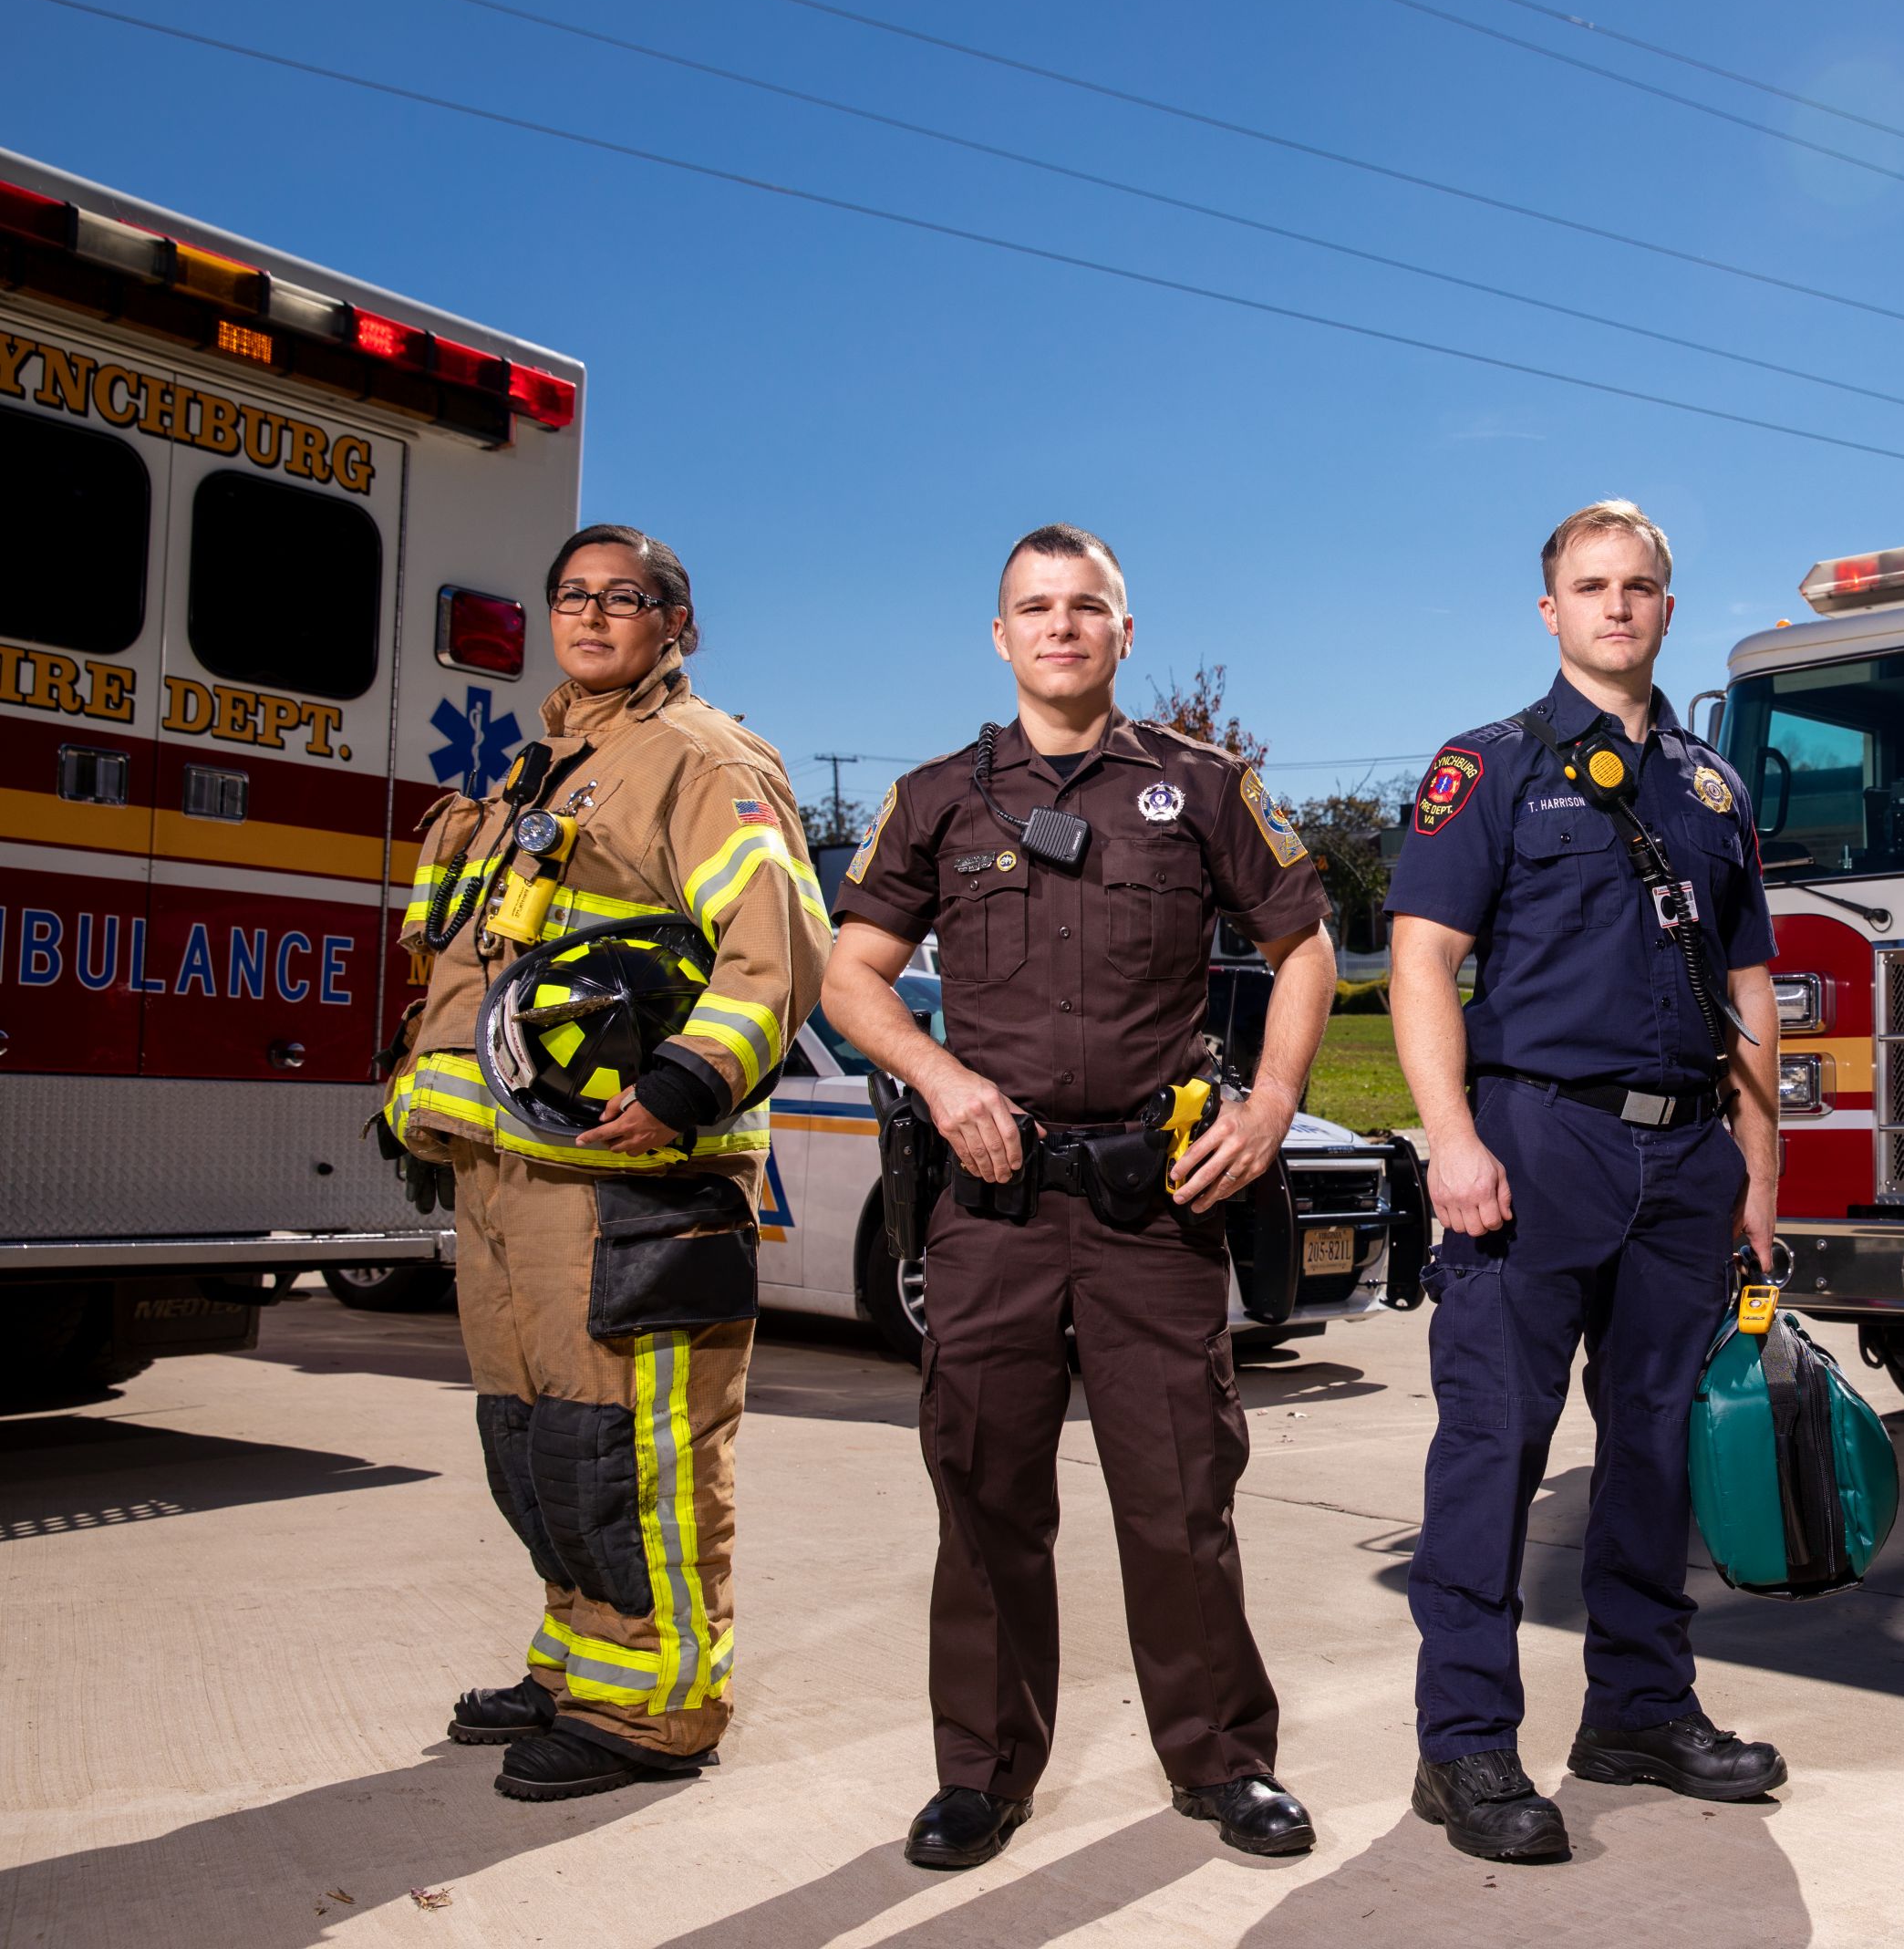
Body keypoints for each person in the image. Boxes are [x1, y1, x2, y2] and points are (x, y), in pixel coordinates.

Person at [822, 524, 1338, 1871]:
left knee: (1179, 1497)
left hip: (1153, 1205)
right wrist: (942, 1082)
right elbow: (851, 976)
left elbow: (1304, 945)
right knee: (985, 1492)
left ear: (1123, 631)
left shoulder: (1202, 787)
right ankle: (982, 1776)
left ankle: (1223, 1764)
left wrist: (1270, 1106)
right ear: (1000, 637)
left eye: (1087, 606)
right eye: (1035, 608)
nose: (1062, 626)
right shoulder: (939, 797)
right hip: (990, 1203)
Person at [382, 525, 828, 1800]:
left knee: (639, 1450)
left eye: (623, 599)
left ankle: (659, 1711)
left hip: (629, 1181)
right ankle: (584, 1662)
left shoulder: (701, 759)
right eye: (572, 596)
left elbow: (777, 938)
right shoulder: (540, 773)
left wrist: (688, 1080)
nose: (591, 616)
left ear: (675, 627)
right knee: (534, 1440)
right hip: (505, 1175)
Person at [1386, 498, 1788, 1863]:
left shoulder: (1714, 788)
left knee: (1659, 1445)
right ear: (1550, 611)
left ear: (1669, 608)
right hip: (1536, 1138)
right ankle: (1466, 1747)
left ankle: (1637, 1709)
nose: (1615, 605)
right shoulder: (1485, 768)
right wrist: (1451, 1136)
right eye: (1589, 585)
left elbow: (1747, 986)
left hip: (1687, 1154)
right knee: (1495, 1447)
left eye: (1639, 586)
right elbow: (1425, 960)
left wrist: (1758, 1169)